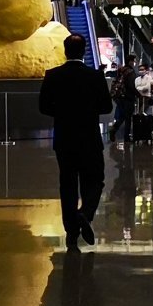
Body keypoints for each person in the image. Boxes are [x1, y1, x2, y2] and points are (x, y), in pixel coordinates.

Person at [37, 33, 112, 250]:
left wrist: (63, 112)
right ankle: (85, 213)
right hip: (89, 137)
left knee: (68, 184)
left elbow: (43, 107)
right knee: (94, 180)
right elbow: (106, 107)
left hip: (64, 138)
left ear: (65, 51)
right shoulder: (95, 77)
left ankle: (71, 232)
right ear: (85, 51)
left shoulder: (53, 75)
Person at [107, 62, 136, 144]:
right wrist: (137, 94)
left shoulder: (121, 71)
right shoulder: (130, 72)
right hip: (126, 97)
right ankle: (126, 137)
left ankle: (114, 129)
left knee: (123, 116)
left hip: (118, 97)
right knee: (128, 117)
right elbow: (131, 85)